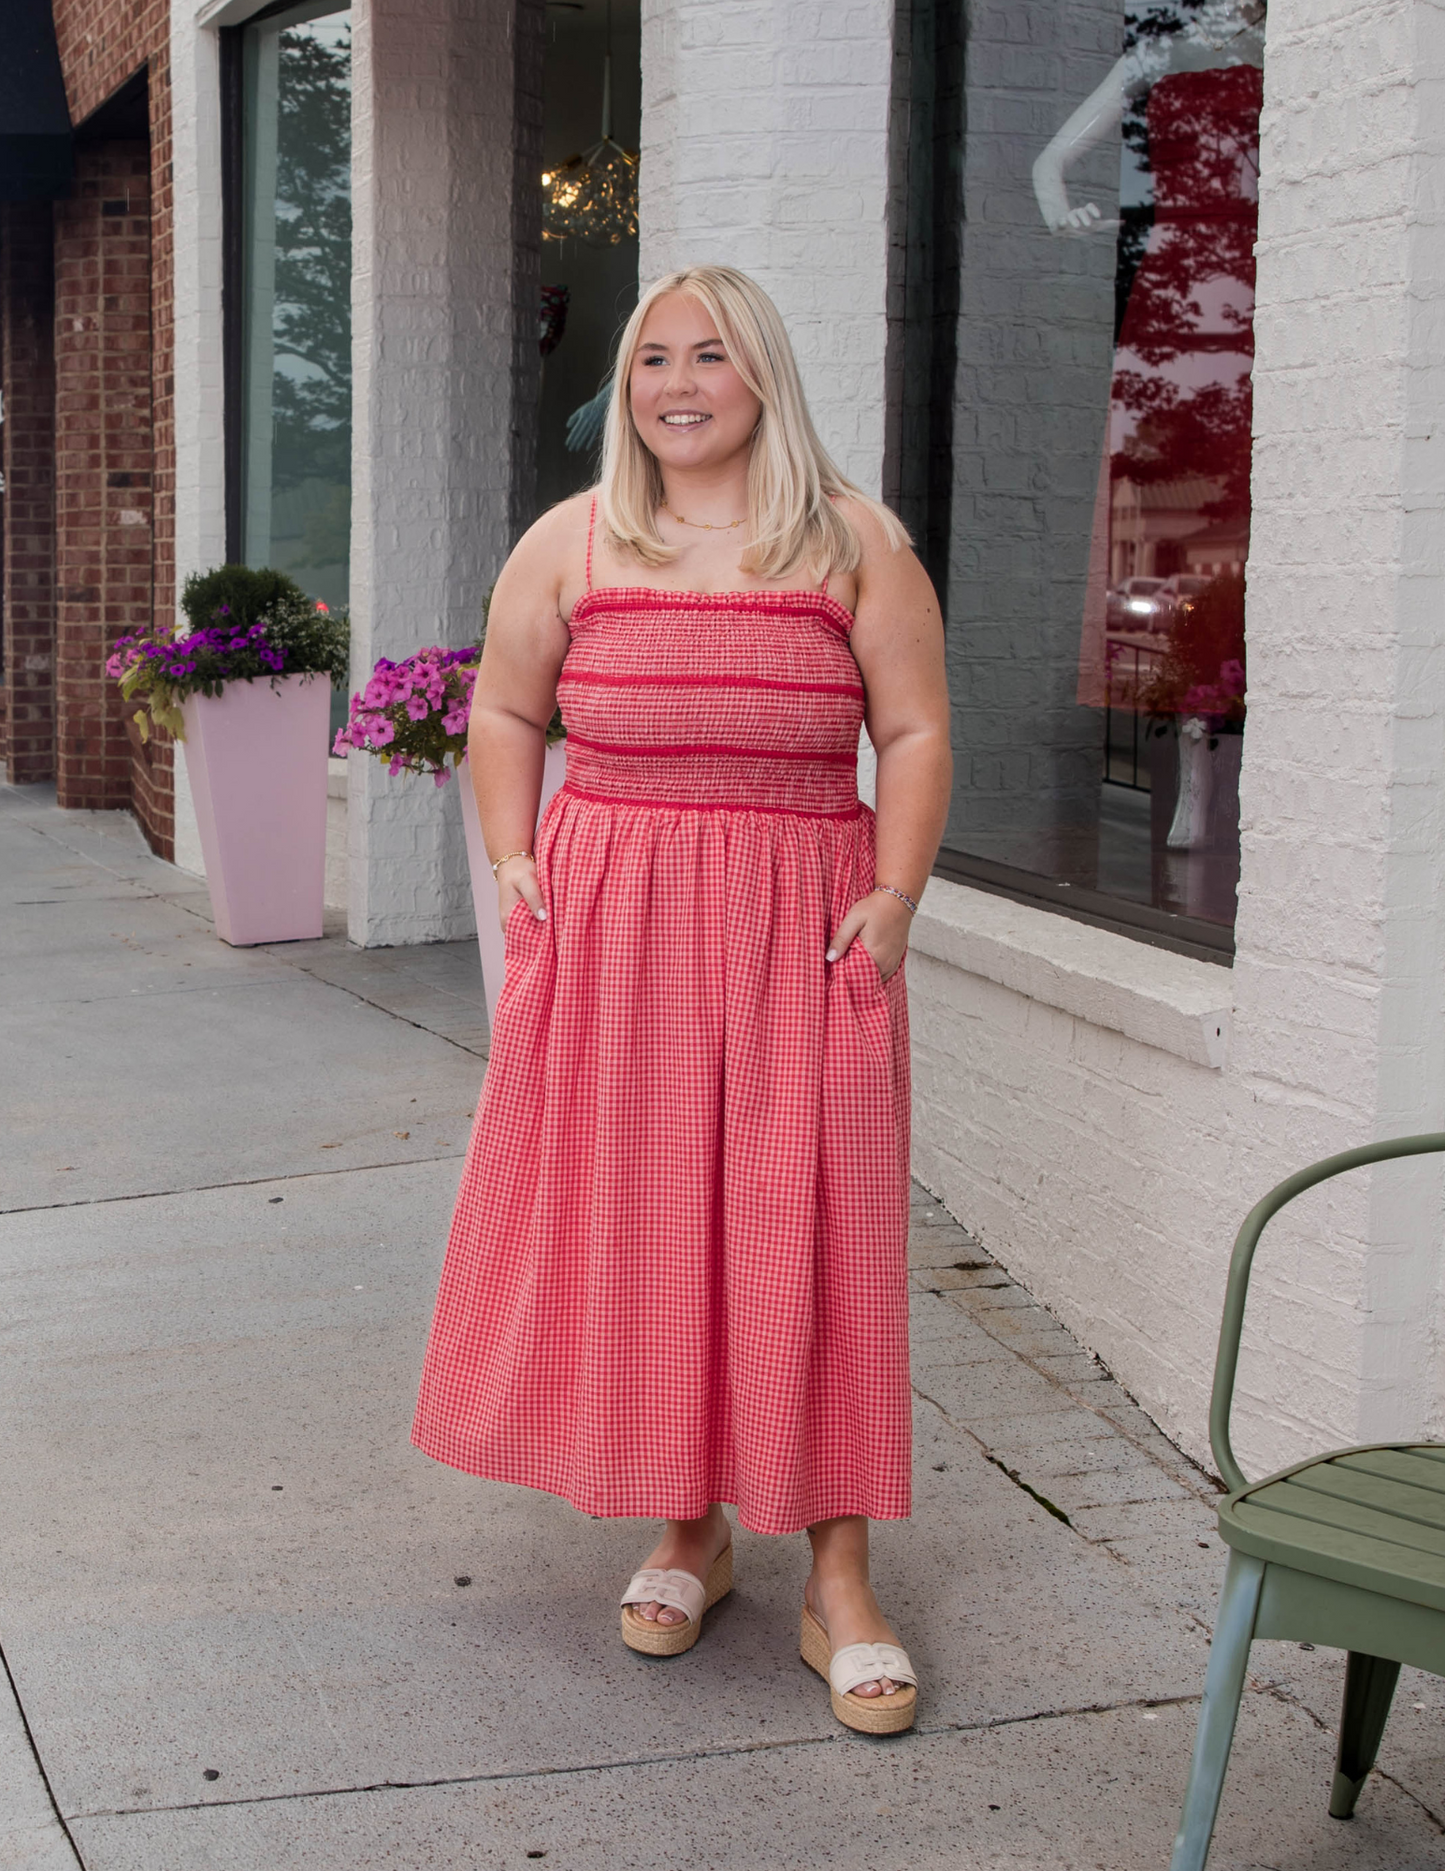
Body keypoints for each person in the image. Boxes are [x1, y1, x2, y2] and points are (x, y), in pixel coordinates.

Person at [412, 264, 952, 1735]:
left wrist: (895, 900)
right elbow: (507, 707)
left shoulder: (853, 543)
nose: (678, 381)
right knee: (653, 1225)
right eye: (654, 357)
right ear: (627, 388)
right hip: (619, 930)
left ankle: (839, 1574)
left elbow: (911, 729)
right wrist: (517, 854)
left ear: (763, 374)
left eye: (711, 354)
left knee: (818, 1225)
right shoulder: (574, 540)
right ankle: (688, 1528)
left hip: (805, 928)